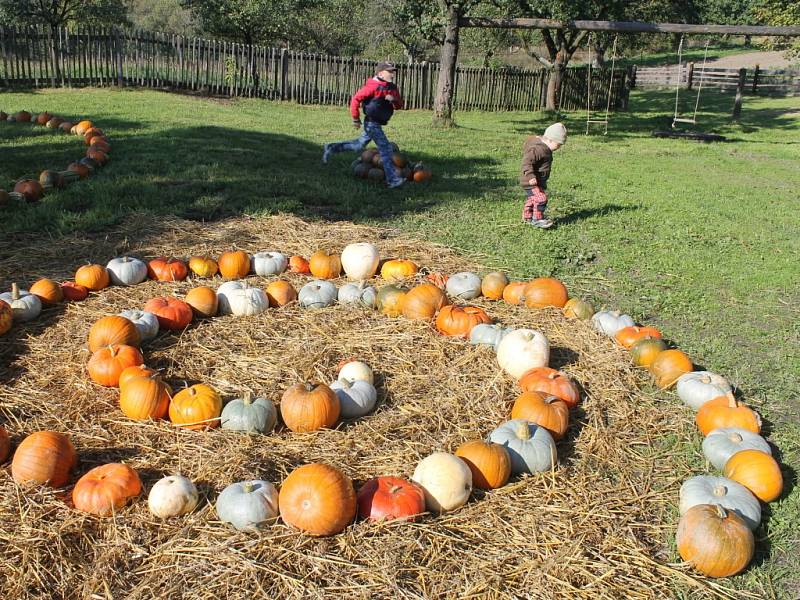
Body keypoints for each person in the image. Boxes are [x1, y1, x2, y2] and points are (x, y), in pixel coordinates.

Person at [322, 62, 405, 188]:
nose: (392, 75)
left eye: (393, 72)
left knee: (358, 145)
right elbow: (355, 99)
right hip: (371, 123)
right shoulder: (372, 86)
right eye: (390, 72)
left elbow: (399, 105)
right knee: (386, 149)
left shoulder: (392, 88)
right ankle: (392, 179)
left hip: (377, 123)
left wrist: (393, 100)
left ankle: (331, 148)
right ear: (381, 73)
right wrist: (355, 118)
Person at [520, 123, 567, 229]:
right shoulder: (537, 149)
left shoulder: (545, 147)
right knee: (541, 198)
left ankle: (527, 217)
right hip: (529, 180)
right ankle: (537, 219)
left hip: (537, 180)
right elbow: (526, 162)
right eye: (558, 144)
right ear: (550, 139)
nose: (559, 147)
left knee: (533, 199)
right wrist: (531, 175)